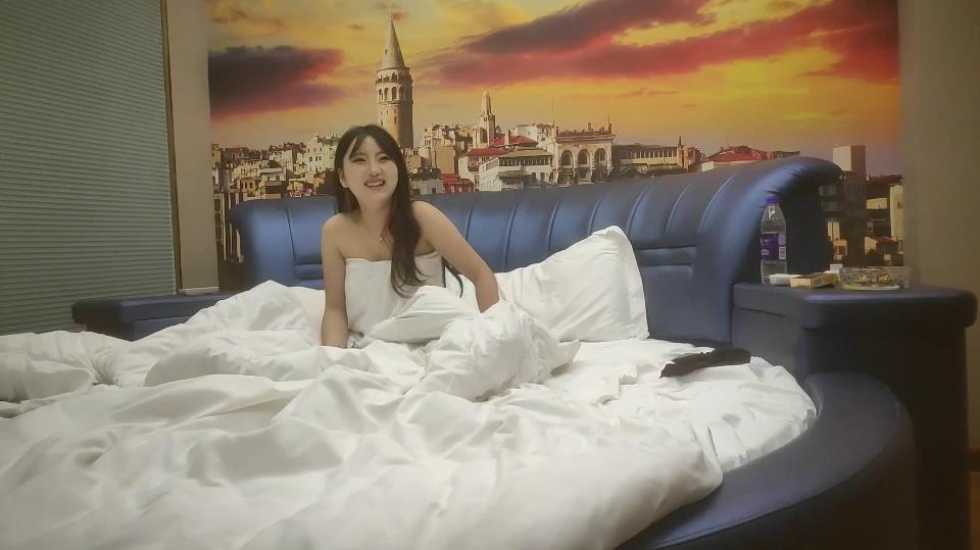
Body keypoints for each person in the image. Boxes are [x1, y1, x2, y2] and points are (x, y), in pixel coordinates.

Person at [319, 124, 499, 348]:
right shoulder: (335, 231)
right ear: (342, 177)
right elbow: (335, 310)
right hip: (370, 348)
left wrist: (494, 336)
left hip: (434, 344)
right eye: (360, 160)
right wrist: (332, 357)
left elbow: (481, 274)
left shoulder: (423, 217)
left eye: (384, 158)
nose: (374, 169)